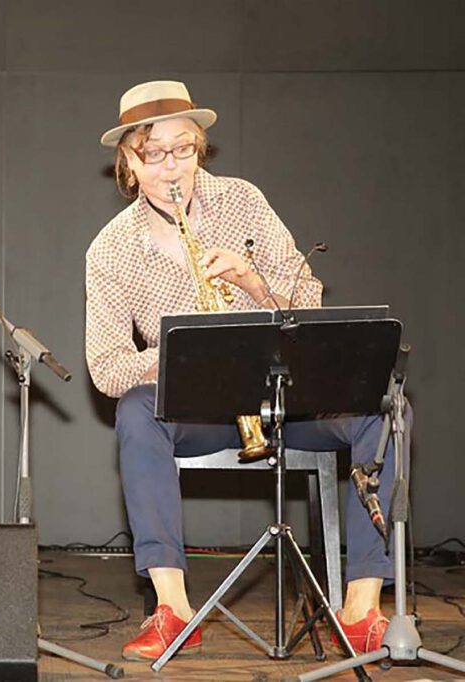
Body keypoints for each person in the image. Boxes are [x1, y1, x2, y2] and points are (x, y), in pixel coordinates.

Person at [85, 80, 408, 661]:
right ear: (128, 163)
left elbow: (308, 301)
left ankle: (361, 605)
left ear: (200, 147)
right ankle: (173, 608)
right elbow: (107, 369)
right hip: (200, 411)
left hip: (287, 402)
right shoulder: (111, 249)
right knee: (134, 411)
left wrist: (255, 285)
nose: (171, 167)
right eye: (153, 153)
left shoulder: (242, 200)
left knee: (385, 406)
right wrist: (186, 351)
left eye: (183, 148)